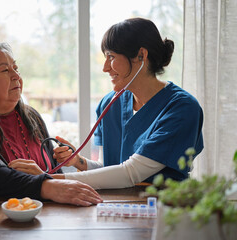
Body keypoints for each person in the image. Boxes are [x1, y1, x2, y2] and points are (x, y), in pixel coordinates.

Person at [0, 42, 102, 206]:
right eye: (5, 70)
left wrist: (55, 174)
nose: (16, 76)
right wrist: (46, 185)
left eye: (16, 69)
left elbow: (53, 173)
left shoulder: (32, 117)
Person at [51, 17, 204, 189]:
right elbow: (111, 171)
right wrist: (78, 161)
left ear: (141, 55)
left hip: (164, 209)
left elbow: (131, 173)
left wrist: (52, 182)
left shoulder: (182, 109)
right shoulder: (109, 104)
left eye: (111, 56)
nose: (105, 68)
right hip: (117, 207)